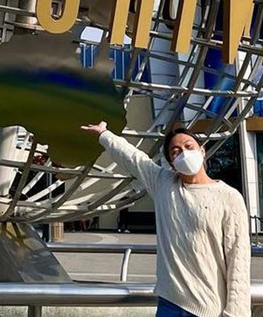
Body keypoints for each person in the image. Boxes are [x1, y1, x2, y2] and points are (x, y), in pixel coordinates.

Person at [82, 121, 250, 317]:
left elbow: (238, 259)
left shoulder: (229, 197)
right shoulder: (164, 185)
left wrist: (236, 313)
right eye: (175, 151)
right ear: (171, 163)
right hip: (169, 304)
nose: (184, 153)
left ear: (202, 151)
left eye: (189, 146)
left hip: (209, 309)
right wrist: (104, 134)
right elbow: (133, 158)